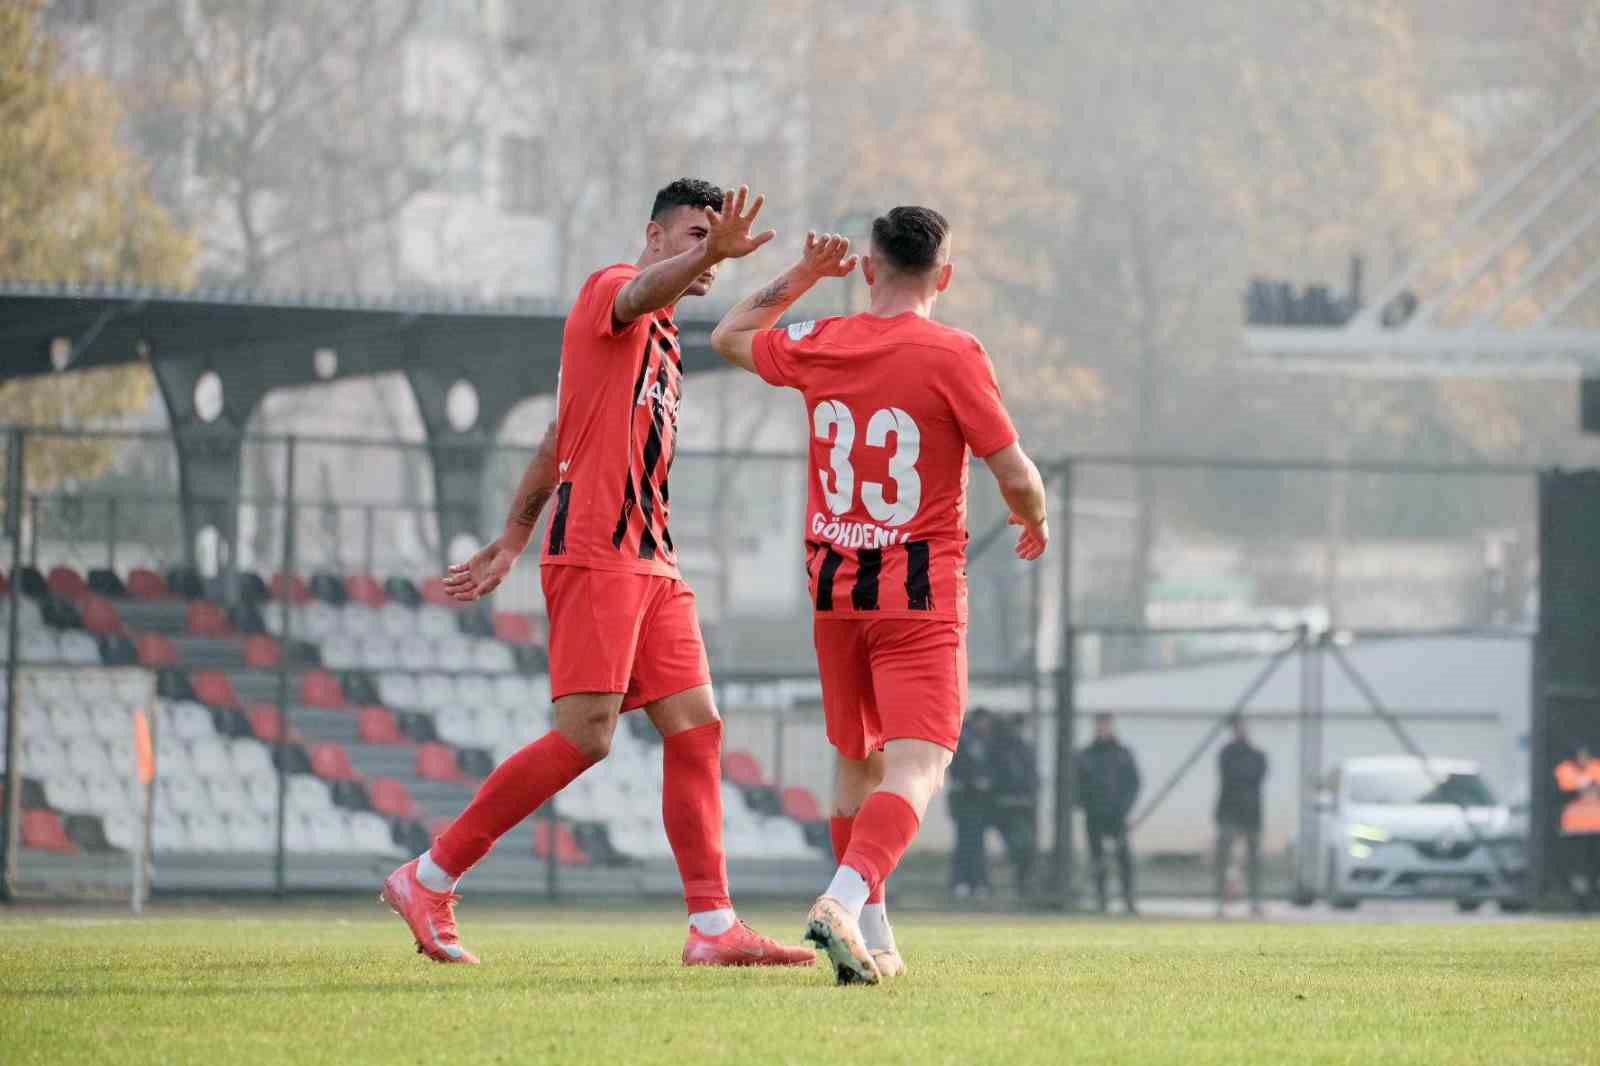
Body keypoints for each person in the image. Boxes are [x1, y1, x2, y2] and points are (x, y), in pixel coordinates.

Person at [381, 179, 812, 968]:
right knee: (587, 738)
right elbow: (643, 290)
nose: (702, 252)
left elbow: (558, 435)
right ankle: (428, 875)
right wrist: (524, 539)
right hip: (598, 551)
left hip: (653, 559)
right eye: (690, 235)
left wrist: (510, 538)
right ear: (652, 234)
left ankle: (713, 927)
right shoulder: (612, 290)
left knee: (698, 729)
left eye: (711, 240)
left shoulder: (667, 342)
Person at [711, 208, 1049, 983]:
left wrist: (801, 278)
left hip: (834, 594)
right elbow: (1017, 475)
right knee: (920, 768)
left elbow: (729, 335)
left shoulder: (823, 341)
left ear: (867, 270)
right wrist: (1035, 518)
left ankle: (876, 935)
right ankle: (841, 897)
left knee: (855, 764)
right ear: (946, 277)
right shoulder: (954, 353)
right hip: (917, 596)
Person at [1077, 713, 1140, 915]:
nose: (1102, 729)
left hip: (1117, 814)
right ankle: (1101, 899)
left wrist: (1124, 806)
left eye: (1106, 725)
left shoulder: (1123, 753)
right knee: (1097, 858)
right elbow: (1075, 784)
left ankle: (1128, 899)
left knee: (1124, 858)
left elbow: (1134, 782)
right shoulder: (1086, 754)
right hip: (1094, 814)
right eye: (1099, 725)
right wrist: (1085, 804)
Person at [1214, 716, 1267, 918]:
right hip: (1229, 812)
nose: (1240, 731)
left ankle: (1255, 901)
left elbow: (1256, 776)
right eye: (1237, 727)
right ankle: (1220, 901)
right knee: (1223, 857)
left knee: (1254, 860)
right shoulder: (1226, 754)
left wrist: (1243, 776)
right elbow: (1231, 776)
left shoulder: (1258, 755)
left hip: (1252, 813)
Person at [946, 708, 997, 898]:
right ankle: (962, 881)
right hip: (966, 802)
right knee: (965, 843)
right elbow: (957, 770)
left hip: (979, 803)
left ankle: (976, 882)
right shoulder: (965, 742)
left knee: (976, 844)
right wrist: (974, 782)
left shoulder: (987, 743)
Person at [990, 714, 1038, 894]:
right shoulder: (1000, 750)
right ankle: (1020, 883)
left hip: (1023, 807)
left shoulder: (1024, 750)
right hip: (1005, 808)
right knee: (1017, 846)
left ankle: (1023, 883)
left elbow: (1032, 777)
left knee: (1025, 847)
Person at [1554, 740, 1600, 912]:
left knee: (1595, 866)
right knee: (1578, 867)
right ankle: (1580, 902)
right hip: (1575, 829)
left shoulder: (1596, 767)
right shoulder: (1565, 770)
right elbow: (1563, 793)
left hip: (1597, 828)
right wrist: (1584, 786)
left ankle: (1595, 899)